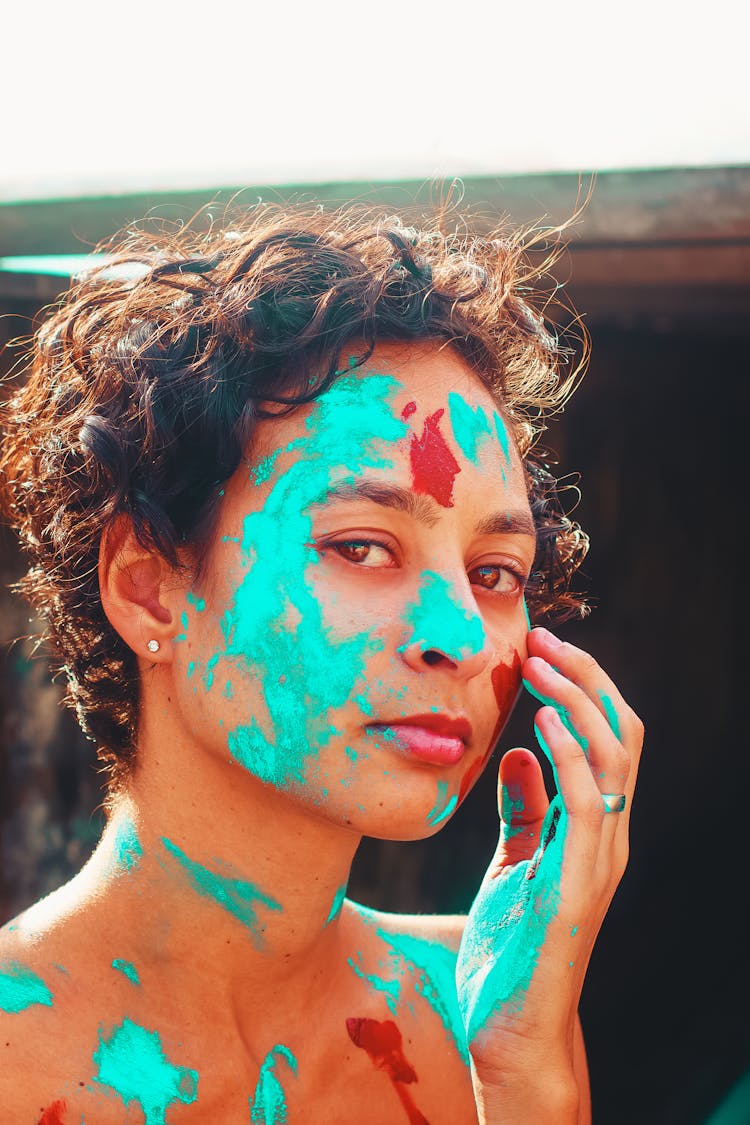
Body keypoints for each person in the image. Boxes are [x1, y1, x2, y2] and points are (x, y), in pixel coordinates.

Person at [0, 201, 643, 1124]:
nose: (462, 636)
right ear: (147, 587)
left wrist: (527, 1081)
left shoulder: (485, 1014)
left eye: (496, 570)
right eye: (362, 546)